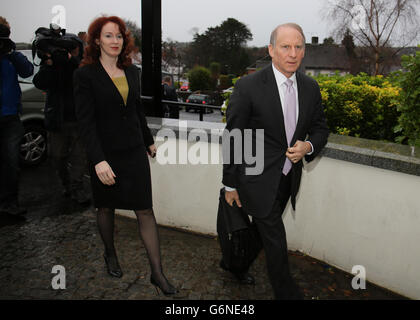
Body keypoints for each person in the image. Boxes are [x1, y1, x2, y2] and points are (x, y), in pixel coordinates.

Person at [222, 23, 329, 299]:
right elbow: (233, 136)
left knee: (258, 232)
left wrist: (308, 145)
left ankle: (234, 264)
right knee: (275, 240)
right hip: (254, 178)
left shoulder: (310, 87)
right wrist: (230, 184)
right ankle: (287, 293)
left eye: (298, 46)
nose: (293, 53)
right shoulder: (248, 86)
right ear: (271, 50)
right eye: (285, 46)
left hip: (287, 180)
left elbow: (320, 129)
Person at [73, 16, 178, 296]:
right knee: (106, 207)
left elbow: (136, 110)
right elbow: (86, 123)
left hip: (133, 152)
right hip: (105, 154)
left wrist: (148, 141)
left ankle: (157, 273)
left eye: (119, 36)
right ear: (96, 40)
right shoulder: (85, 75)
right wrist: (98, 160)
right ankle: (110, 253)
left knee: (145, 209)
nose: (115, 41)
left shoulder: (132, 72)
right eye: (108, 36)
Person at [33, 33, 90, 206]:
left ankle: (77, 187)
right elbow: (40, 82)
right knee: (57, 157)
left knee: (80, 157)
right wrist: (50, 64)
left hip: (79, 119)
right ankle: (66, 184)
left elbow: (85, 78)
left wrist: (71, 60)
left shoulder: (81, 65)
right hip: (57, 118)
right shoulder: (54, 64)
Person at [0, 17, 34, 217]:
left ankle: (9, 202)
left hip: (10, 116)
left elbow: (28, 70)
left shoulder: (10, 55)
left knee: (11, 163)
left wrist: (12, 52)